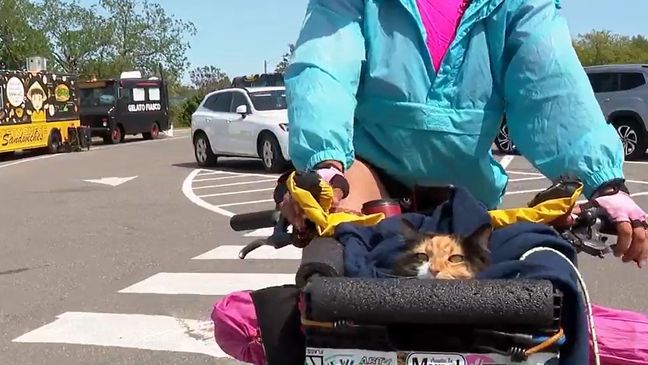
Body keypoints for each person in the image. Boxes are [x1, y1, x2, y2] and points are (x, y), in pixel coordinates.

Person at [279, 0, 648, 267]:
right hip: (368, 175)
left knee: (518, 311)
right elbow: (325, 67)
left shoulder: (518, 5)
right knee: (337, 270)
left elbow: (551, 84)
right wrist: (325, 165)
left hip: (466, 194)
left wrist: (604, 185)